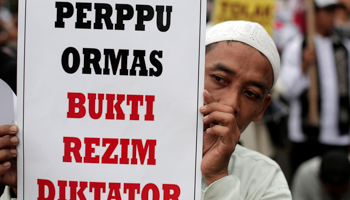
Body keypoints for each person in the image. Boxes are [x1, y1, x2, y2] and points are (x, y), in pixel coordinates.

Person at [0, 20, 291, 199]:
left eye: (251, 93)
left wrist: (217, 179)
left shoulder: (264, 178)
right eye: (218, 79)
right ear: (185, 72)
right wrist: (26, 188)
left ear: (262, 107)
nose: (229, 103)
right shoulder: (107, 153)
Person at [280, 0, 350, 175]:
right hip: (305, 136)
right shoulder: (296, 47)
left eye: (334, 11)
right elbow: (287, 91)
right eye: (327, 12)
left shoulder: (345, 47)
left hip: (339, 134)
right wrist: (303, 66)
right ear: (314, 14)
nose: (332, 17)